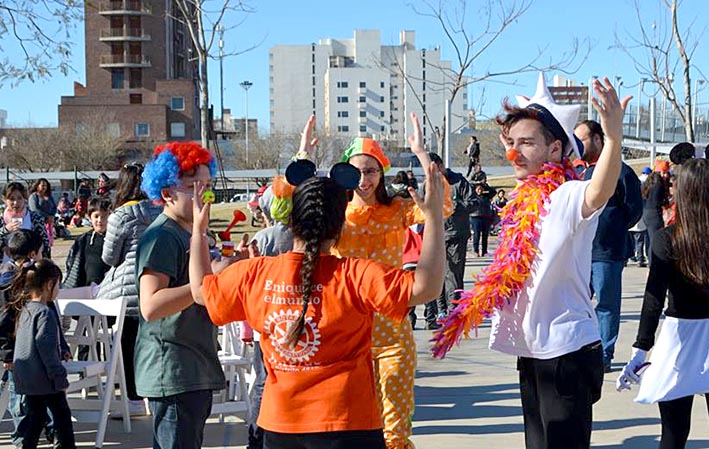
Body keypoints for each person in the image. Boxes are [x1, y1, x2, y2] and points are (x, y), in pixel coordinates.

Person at [188, 159, 446, 448]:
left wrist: (198, 231)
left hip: (279, 426)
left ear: (292, 222)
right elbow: (426, 287)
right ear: (340, 226)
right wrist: (434, 219)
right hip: (350, 425)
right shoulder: (355, 274)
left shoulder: (256, 272)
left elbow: (200, 291)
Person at [433, 74, 631, 449]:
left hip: (566, 353)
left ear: (555, 149)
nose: (513, 153)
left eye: (526, 143)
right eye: (510, 143)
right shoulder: (520, 202)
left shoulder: (569, 196)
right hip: (531, 351)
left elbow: (600, 188)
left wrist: (614, 137)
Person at [297, 113, 451, 449]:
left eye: (371, 171)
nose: (364, 179)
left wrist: (422, 154)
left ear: (381, 173)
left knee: (395, 428)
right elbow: (295, 205)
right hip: (345, 336)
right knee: (349, 427)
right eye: (357, 171)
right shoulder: (336, 213)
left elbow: (441, 205)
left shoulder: (397, 209)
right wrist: (303, 155)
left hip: (393, 332)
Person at [134, 142, 225, 449]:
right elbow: (150, 305)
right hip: (173, 369)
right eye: (192, 187)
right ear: (167, 193)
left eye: (208, 187)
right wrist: (205, 284)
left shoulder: (188, 233)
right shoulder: (162, 236)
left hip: (190, 367)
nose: (203, 197)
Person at [616, 158, 709, 449]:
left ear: (683, 192)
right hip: (691, 334)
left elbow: (653, 297)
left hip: (679, 337)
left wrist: (640, 347)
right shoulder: (666, 238)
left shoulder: (667, 239)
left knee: (673, 431)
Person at [574, 119, 643, 373]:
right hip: (578, 251)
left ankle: (604, 353)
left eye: (582, 139)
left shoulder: (622, 171)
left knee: (606, 304)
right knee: (577, 302)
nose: (578, 145)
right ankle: (579, 349)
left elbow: (634, 209)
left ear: (597, 138)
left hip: (608, 252)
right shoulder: (578, 172)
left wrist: (613, 226)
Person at [95, 162, 162, 416]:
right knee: (149, 345)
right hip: (153, 283)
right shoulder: (161, 211)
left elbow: (109, 257)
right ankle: (149, 395)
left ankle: (131, 398)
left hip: (124, 290)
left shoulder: (120, 216)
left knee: (123, 344)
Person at [0, 230, 70, 448]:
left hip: (28, 367)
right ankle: (27, 439)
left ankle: (38, 438)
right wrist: (7, 354)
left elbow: (52, 328)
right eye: (41, 251)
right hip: (30, 365)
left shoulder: (36, 297)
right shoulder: (14, 288)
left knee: (36, 411)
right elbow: (6, 326)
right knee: (29, 408)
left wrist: (64, 346)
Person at [246, 176, 295, 449]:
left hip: (265, 321)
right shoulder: (301, 237)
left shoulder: (264, 237)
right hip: (292, 321)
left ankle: (257, 437)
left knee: (263, 382)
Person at [429, 152, 476, 323]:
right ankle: (441, 309)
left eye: (435, 169)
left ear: (441, 165)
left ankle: (455, 309)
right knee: (437, 273)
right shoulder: (428, 184)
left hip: (456, 234)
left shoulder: (459, 181)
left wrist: (455, 206)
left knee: (454, 273)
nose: (433, 174)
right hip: (435, 235)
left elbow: (474, 202)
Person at [64, 198, 111, 289]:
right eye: (96, 216)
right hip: (86, 289)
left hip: (109, 289)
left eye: (104, 216)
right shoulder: (83, 240)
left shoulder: (115, 239)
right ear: (90, 217)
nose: (100, 220)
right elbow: (72, 264)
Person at [0, 182, 51, 259]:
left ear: (25, 198)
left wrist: (31, 249)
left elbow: (45, 242)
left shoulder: (35, 218)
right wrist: (5, 230)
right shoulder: (1, 219)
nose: (16, 203)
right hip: (4, 266)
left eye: (19, 198)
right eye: (11, 199)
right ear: (4, 200)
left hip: (30, 265)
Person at [641, 171, 670, 257]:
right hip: (654, 213)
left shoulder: (648, 186)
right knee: (655, 239)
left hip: (646, 212)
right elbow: (661, 201)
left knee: (649, 239)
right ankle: (654, 260)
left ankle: (650, 258)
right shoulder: (658, 186)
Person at [28, 178, 57, 247]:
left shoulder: (49, 196)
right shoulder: (33, 197)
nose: (44, 187)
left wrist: (52, 216)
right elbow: (34, 209)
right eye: (42, 185)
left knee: (48, 241)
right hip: (38, 222)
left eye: (46, 186)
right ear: (37, 186)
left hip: (49, 222)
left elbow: (54, 207)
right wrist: (47, 216)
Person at [470, 184, 494, 257]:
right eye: (478, 189)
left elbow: (493, 191)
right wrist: (476, 184)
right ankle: (475, 250)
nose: (479, 190)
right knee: (476, 235)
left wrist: (484, 185)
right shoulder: (472, 196)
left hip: (486, 217)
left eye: (481, 189)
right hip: (475, 217)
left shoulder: (486, 196)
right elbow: (469, 188)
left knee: (485, 235)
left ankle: (484, 251)